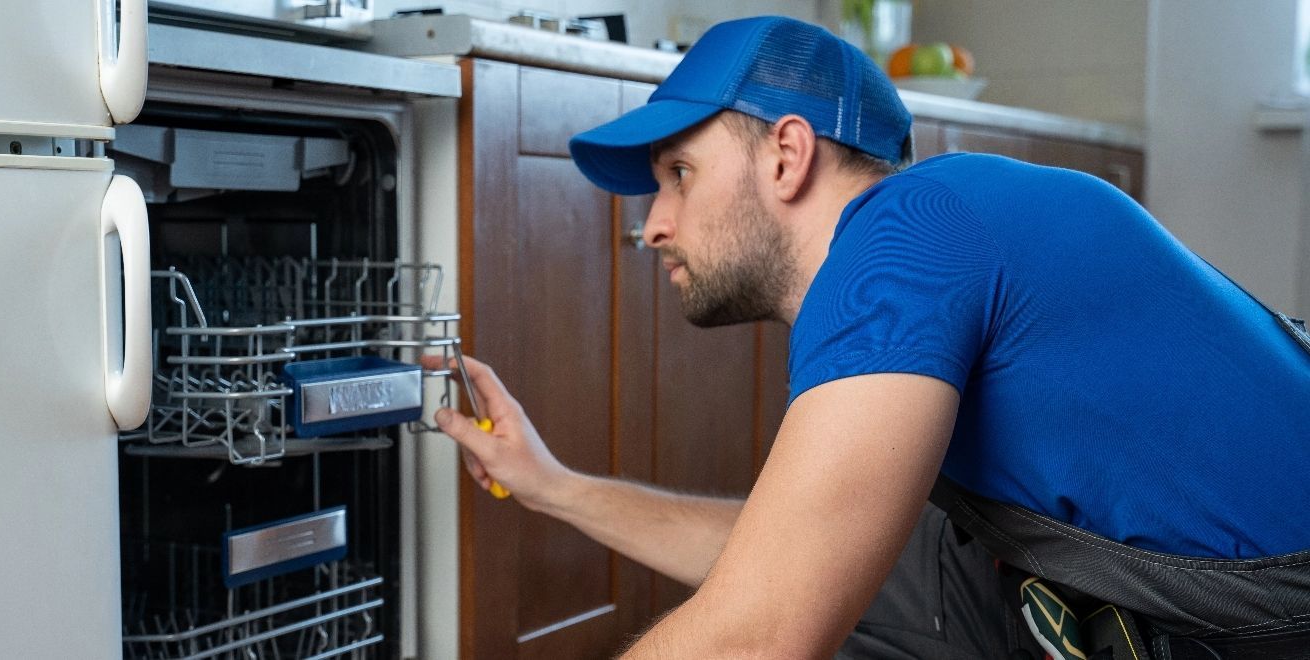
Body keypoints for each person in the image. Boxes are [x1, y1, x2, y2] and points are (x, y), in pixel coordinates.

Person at [423, 15, 1310, 659]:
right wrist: (550, 487)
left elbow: (759, 635)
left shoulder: (909, 236)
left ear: (787, 153)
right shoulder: (932, 238)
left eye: (680, 175)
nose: (653, 225)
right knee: (887, 577)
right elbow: (784, 569)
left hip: (1270, 618)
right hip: (1214, 593)